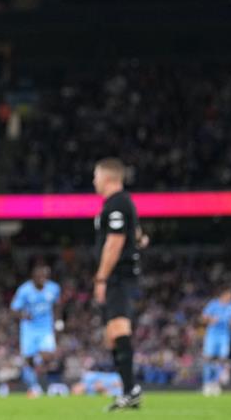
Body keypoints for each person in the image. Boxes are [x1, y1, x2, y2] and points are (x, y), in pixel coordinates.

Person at [92, 158, 147, 411]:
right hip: (118, 276)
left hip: (118, 277)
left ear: (108, 177)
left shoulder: (117, 203)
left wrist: (101, 278)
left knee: (118, 329)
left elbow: (114, 243)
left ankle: (131, 390)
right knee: (112, 336)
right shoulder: (120, 204)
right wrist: (139, 239)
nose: (94, 181)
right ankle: (129, 390)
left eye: (96, 176)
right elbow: (134, 233)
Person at [10, 264, 62, 396]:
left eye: (45, 276)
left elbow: (57, 305)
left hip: (46, 327)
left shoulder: (54, 288)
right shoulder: (24, 290)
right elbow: (14, 309)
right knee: (28, 359)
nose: (43, 279)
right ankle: (34, 386)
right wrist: (23, 315)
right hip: (29, 328)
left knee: (48, 355)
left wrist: (58, 322)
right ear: (33, 278)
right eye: (40, 277)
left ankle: (38, 363)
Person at [201, 287, 231, 396]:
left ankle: (216, 383)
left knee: (222, 360)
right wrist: (211, 319)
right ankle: (207, 383)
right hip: (212, 335)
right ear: (223, 295)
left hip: (224, 336)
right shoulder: (213, 304)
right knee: (208, 358)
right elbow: (203, 318)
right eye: (230, 296)